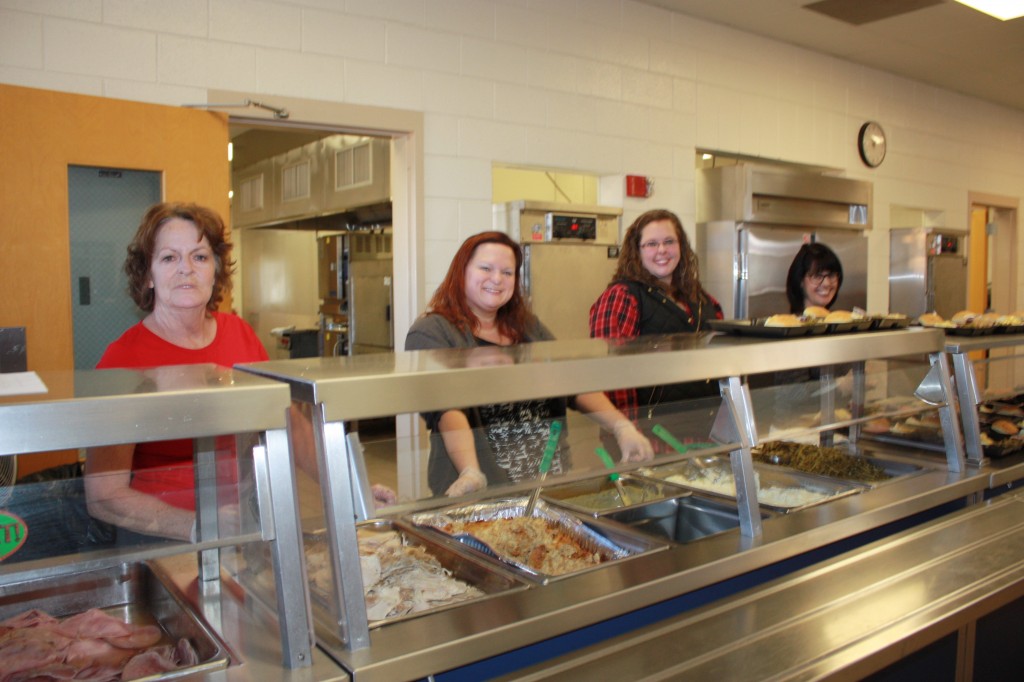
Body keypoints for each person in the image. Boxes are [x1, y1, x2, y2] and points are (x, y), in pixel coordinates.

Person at [84, 202, 393, 543]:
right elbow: (104, 495)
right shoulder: (123, 358)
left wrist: (351, 487)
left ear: (215, 270)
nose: (186, 269)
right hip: (162, 540)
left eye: (200, 257)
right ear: (147, 275)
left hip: (243, 529)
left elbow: (291, 426)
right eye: (169, 258)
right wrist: (197, 525)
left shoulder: (239, 333)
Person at [404, 231, 654, 497]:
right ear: (461, 271)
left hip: (548, 482)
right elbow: (446, 408)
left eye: (507, 272)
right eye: (486, 268)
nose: (497, 279)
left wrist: (621, 427)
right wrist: (470, 471)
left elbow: (571, 382)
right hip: (482, 490)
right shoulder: (432, 331)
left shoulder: (528, 326)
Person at [589, 209, 724, 445]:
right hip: (653, 439)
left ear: (681, 246)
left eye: (669, 241)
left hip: (707, 433)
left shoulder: (703, 298)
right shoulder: (622, 297)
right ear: (637, 251)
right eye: (651, 244)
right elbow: (613, 375)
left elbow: (722, 362)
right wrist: (628, 434)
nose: (662, 250)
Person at [786, 242, 843, 314]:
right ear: (800, 280)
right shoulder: (791, 321)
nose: (827, 283)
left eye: (831, 275)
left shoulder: (843, 320)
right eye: (817, 276)